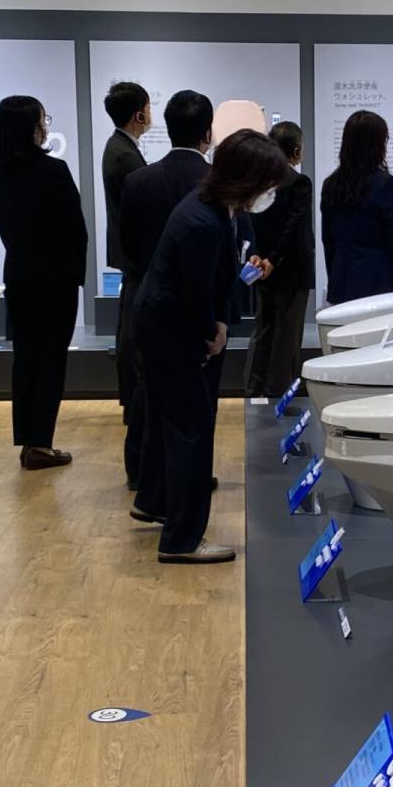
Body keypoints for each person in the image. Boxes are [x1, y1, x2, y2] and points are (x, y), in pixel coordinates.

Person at [132, 129, 293, 563]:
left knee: (174, 424)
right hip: (170, 332)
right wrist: (212, 332)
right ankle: (182, 540)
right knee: (192, 430)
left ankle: (158, 504)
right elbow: (193, 294)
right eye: (266, 184)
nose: (268, 194)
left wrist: (218, 320)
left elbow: (217, 278)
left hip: (170, 326)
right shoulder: (202, 221)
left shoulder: (216, 209)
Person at [119, 89, 221, 495]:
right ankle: (190, 481)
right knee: (197, 405)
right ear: (207, 132)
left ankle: (143, 476)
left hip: (149, 301)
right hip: (200, 310)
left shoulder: (138, 181)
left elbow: (127, 245)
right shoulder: (215, 184)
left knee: (148, 393)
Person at [0, 95, 87, 469]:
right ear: (31, 127)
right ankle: (41, 443)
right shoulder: (54, 170)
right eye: (42, 120)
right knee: (51, 360)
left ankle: (28, 440)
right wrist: (77, 275)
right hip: (57, 279)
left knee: (25, 358)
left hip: (19, 275)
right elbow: (76, 229)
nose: (45, 126)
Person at [243, 120, 313, 399]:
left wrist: (261, 258)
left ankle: (254, 391)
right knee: (287, 338)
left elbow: (252, 224)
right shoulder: (299, 183)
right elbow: (294, 228)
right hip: (290, 271)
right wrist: (274, 259)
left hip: (262, 269)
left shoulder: (258, 182)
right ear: (296, 150)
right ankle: (278, 397)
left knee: (263, 331)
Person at [320, 109, 393, 304]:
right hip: (379, 285)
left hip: (342, 283)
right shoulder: (386, 184)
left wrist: (334, 278)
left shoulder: (331, 184)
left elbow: (328, 241)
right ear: (377, 145)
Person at [101, 80, 152, 418]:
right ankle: (135, 404)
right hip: (137, 256)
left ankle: (134, 402)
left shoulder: (121, 148)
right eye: (148, 108)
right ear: (138, 115)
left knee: (130, 331)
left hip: (131, 255)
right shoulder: (124, 155)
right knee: (133, 336)